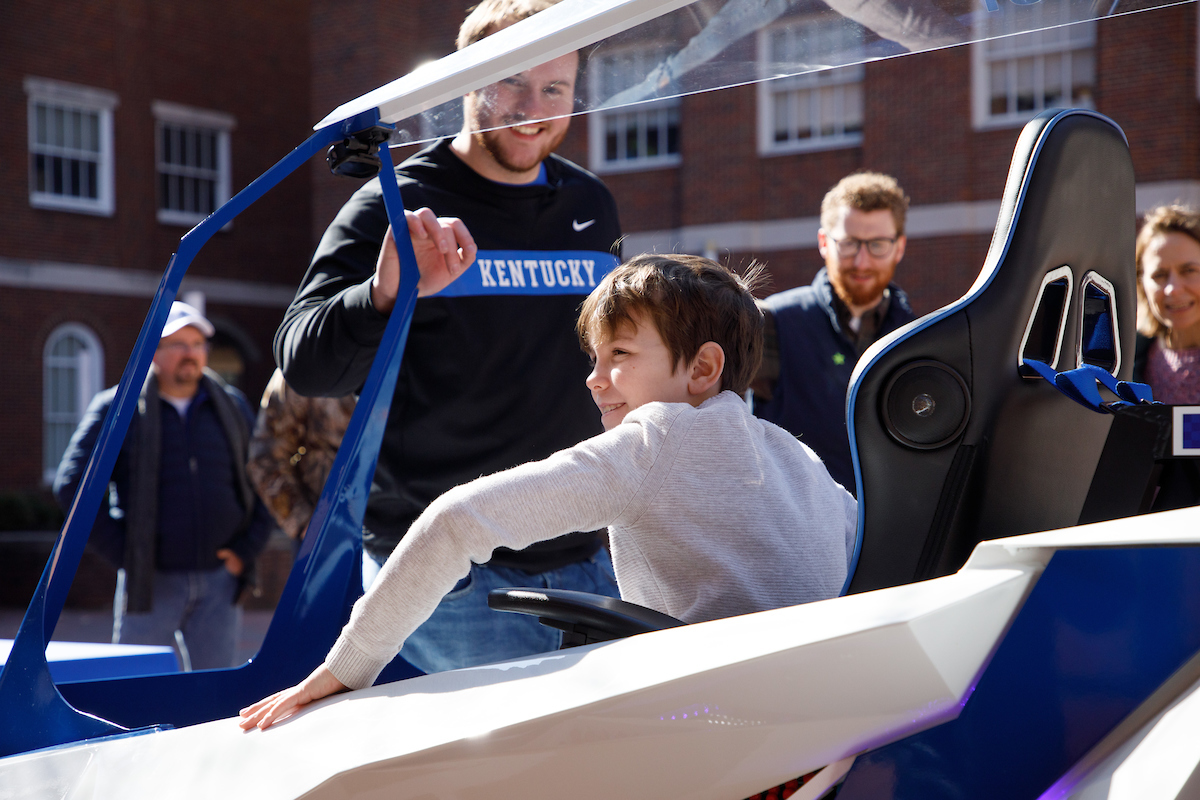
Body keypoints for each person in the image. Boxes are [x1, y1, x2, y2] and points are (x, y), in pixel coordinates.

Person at [240, 253, 857, 730]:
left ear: (701, 369)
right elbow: (866, 549)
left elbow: (458, 520)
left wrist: (346, 671)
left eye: (618, 353)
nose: (594, 379)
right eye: (593, 356)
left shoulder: (651, 442)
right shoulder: (792, 453)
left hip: (704, 720)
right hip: (813, 719)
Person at [275, 0, 623, 673]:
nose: (533, 106)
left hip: (584, 556)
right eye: (512, 82)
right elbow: (305, 363)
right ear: (467, 81)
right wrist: (382, 296)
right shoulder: (396, 203)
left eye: (555, 88)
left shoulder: (590, 205)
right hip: (453, 570)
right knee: (508, 775)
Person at [53, 301, 273, 671]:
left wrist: (246, 549)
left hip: (220, 584)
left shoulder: (232, 406)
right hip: (150, 585)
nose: (191, 353)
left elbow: (265, 480)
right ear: (153, 351)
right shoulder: (117, 407)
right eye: (178, 344)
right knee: (134, 691)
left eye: (198, 344)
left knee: (211, 698)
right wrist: (126, 553)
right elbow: (71, 484)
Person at [752, 172, 916, 494]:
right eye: (849, 243)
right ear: (824, 243)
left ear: (899, 247)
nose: (862, 261)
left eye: (878, 245)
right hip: (795, 534)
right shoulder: (772, 322)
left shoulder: (918, 339)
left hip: (888, 534)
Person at [1132, 204, 1200, 510]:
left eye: (1189, 270)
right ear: (1142, 284)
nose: (1174, 288)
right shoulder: (1124, 359)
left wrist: (1165, 431)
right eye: (1159, 275)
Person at [247, 368, 356, 545]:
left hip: (401, 530)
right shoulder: (307, 362)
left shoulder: (406, 356)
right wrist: (304, 523)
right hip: (326, 537)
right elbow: (266, 457)